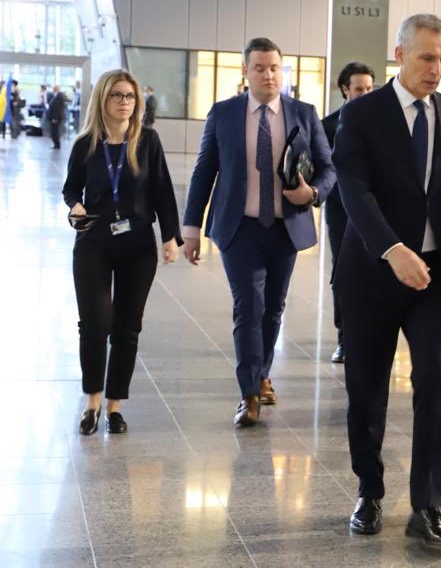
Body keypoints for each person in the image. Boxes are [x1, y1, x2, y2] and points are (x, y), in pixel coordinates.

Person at [332, 14, 441, 547]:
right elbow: (354, 189)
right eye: (426, 57)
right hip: (371, 273)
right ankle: (369, 491)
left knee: (437, 384)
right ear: (400, 54)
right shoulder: (362, 114)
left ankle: (427, 506)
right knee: (366, 390)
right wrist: (393, 250)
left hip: (434, 279)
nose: (436, 68)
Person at [182, 37, 336, 428]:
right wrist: (191, 227)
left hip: (285, 228)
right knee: (247, 305)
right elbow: (204, 171)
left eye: (275, 68)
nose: (269, 75)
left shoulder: (304, 112)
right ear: (246, 72)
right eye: (260, 68)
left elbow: (329, 168)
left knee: (273, 307)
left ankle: (262, 372)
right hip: (240, 227)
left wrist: (313, 192)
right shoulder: (224, 114)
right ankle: (249, 392)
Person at [62, 69, 182, 435]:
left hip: (137, 245)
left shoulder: (147, 140)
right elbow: (71, 189)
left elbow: (162, 189)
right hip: (93, 242)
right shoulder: (86, 143)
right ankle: (92, 402)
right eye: (117, 95)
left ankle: (115, 406)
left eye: (129, 96)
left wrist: (170, 235)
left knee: (127, 327)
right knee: (95, 325)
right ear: (103, 99)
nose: (124, 102)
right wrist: (75, 206)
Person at [321, 61, 375, 364]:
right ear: (345, 90)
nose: (365, 94)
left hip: (377, 211)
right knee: (342, 274)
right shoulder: (328, 125)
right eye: (359, 89)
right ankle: (344, 337)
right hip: (341, 212)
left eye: (369, 88)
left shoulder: (382, 121)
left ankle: (370, 335)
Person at [47, 84, 67, 149]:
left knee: (55, 131)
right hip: (54, 117)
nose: (53, 89)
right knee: (54, 131)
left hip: (56, 118)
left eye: (54, 88)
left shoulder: (59, 96)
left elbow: (58, 108)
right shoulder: (56, 96)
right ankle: (56, 144)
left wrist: (55, 118)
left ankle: (57, 144)